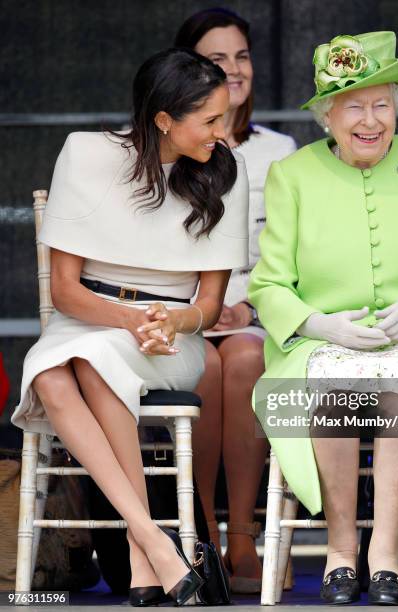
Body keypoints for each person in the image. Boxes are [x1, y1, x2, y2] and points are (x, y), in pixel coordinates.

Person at [248, 31, 398, 605]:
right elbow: (269, 285)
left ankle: (385, 550)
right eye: (353, 105)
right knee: (334, 383)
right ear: (327, 114)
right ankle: (339, 550)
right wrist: (319, 325)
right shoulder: (293, 175)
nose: (370, 120)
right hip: (317, 343)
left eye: (382, 104)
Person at [11, 48, 248, 607]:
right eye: (211, 120)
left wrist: (171, 320)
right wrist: (130, 320)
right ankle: (150, 542)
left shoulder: (222, 172)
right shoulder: (86, 155)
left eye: (225, 116)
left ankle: (147, 549)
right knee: (55, 371)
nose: (224, 131)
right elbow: (64, 291)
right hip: (87, 321)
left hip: (174, 338)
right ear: (164, 118)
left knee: (82, 365)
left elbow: (209, 306)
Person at [174, 8, 296, 593]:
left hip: (256, 312)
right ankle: (200, 536)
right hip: (184, 310)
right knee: (205, 367)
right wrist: (201, 304)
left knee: (245, 358)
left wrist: (248, 307)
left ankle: (244, 535)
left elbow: (293, 252)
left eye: (242, 55)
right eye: (217, 58)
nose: (234, 68)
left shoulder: (282, 149)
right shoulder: (170, 147)